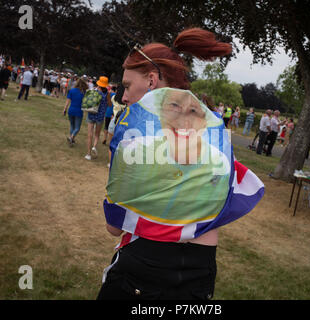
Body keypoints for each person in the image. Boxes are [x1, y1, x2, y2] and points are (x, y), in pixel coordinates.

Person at [97, 28, 263, 300]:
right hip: (202, 267)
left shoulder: (134, 136)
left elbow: (114, 226)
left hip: (145, 265)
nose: (123, 97)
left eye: (127, 86)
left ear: (151, 81)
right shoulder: (215, 128)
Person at [85, 76, 112, 161]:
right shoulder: (107, 94)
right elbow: (110, 104)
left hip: (91, 114)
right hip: (100, 116)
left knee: (90, 135)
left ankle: (88, 154)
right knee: (97, 134)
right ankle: (94, 146)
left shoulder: (94, 90)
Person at [63, 78, 88, 146]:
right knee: (77, 128)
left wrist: (65, 109)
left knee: (72, 125)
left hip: (71, 110)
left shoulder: (72, 90)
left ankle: (71, 139)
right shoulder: (84, 92)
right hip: (79, 111)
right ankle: (71, 138)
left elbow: (67, 101)